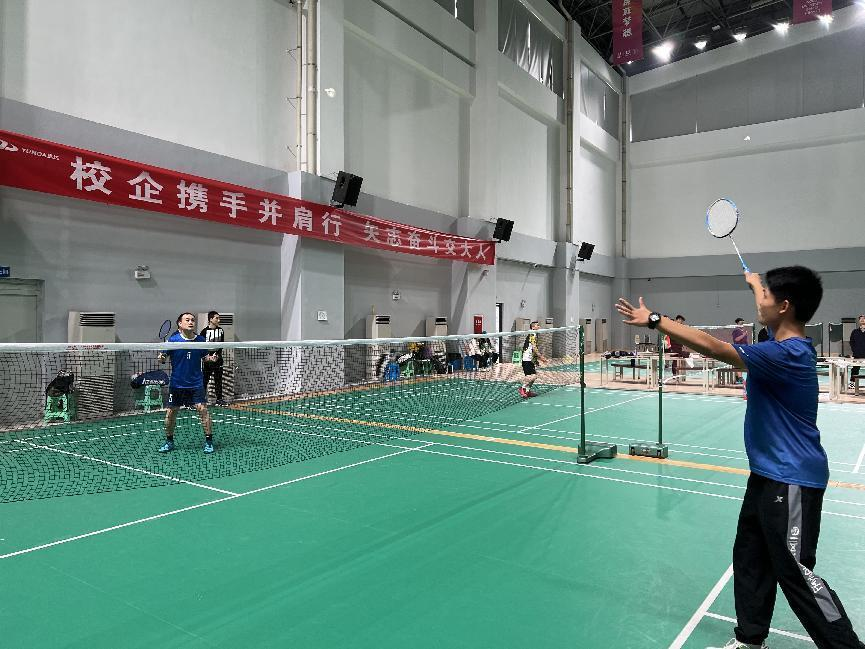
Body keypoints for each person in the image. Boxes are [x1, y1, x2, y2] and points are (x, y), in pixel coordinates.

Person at [616, 267, 864, 649]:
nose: (760, 302)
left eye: (766, 297)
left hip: (792, 479)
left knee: (797, 574)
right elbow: (765, 311)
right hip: (766, 475)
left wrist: (655, 320)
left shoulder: (787, 353)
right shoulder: (781, 342)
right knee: (750, 558)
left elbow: (714, 347)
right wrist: (756, 285)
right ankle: (750, 640)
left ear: (784, 306)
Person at [158, 312, 217, 454]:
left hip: (196, 384)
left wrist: (211, 359)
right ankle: (169, 441)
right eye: (187, 320)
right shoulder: (173, 340)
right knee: (171, 413)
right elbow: (162, 358)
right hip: (177, 384)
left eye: (192, 320)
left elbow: (205, 357)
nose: (191, 322)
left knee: (203, 410)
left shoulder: (201, 341)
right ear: (180, 324)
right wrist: (161, 357)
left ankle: (209, 442)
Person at [199, 310, 226, 406]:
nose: (219, 320)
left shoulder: (221, 330)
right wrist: (208, 356)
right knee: (204, 380)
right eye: (216, 318)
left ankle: (219, 400)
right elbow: (201, 347)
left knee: (218, 380)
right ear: (210, 319)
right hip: (207, 359)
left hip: (218, 358)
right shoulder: (204, 332)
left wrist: (217, 355)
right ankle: (201, 399)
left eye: (219, 318)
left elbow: (221, 344)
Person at [519, 321, 545, 398]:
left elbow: (532, 349)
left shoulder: (534, 335)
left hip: (530, 360)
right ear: (533, 327)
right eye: (537, 325)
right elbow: (534, 348)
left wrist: (536, 360)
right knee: (532, 376)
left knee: (533, 377)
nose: (539, 326)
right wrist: (541, 357)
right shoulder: (532, 334)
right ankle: (522, 388)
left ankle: (527, 391)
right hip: (526, 359)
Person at [849, 314, 865, 390]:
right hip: (857, 355)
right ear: (859, 321)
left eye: (864, 318)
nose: (862, 320)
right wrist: (855, 350)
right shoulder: (855, 332)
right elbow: (851, 342)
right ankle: (852, 383)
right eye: (860, 319)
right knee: (855, 369)